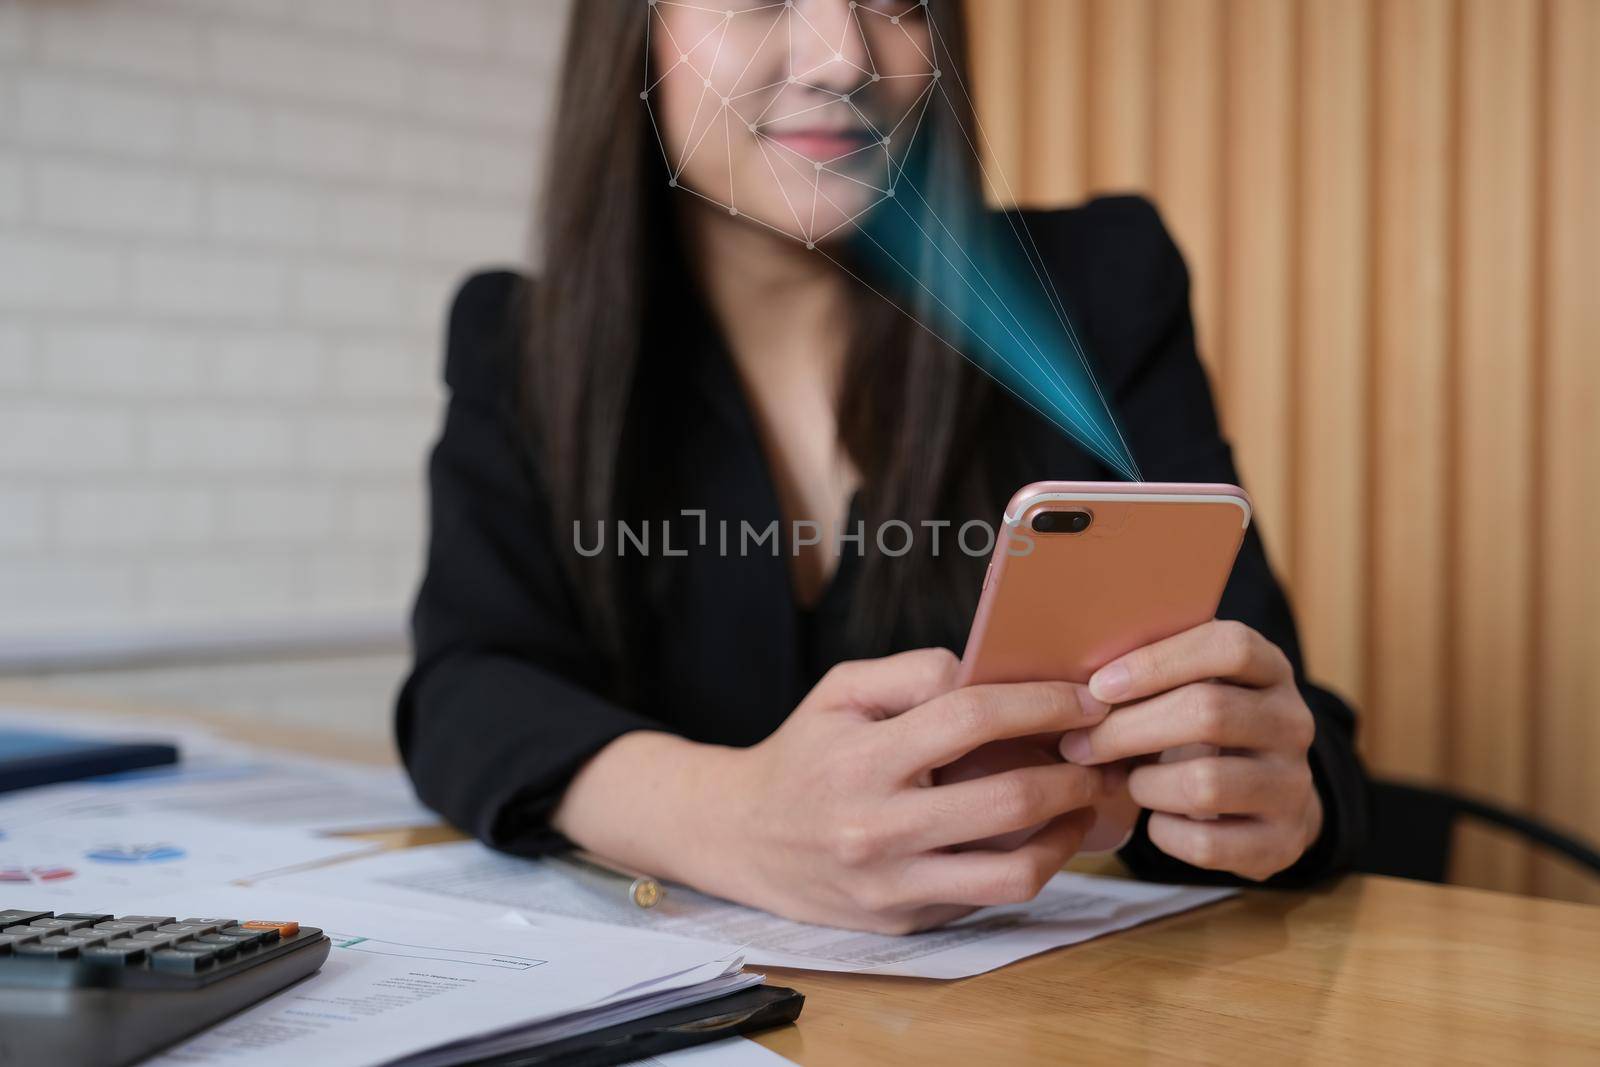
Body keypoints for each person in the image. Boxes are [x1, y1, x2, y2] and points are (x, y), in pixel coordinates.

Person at [398, 0, 1369, 935]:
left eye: (893, 0)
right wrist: (729, 816)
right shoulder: (520, 346)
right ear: (629, 33)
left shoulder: (1097, 290)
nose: (842, 58)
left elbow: (1275, 706)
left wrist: (1283, 793)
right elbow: (467, 689)